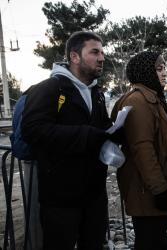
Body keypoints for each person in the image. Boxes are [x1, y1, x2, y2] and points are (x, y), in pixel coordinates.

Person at [21, 31, 120, 249]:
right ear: (74, 57)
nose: (102, 58)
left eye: (102, 52)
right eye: (94, 52)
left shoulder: (97, 93)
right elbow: (32, 130)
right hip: (60, 198)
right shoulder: (49, 89)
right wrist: (86, 134)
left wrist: (115, 131)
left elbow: (100, 129)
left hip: (94, 195)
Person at [111, 51, 167, 250]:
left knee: (155, 238)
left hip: (152, 186)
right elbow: (143, 149)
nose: (164, 73)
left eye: (164, 68)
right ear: (145, 72)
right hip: (147, 190)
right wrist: (159, 189)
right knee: (151, 240)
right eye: (159, 69)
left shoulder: (153, 99)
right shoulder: (138, 101)